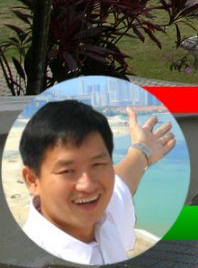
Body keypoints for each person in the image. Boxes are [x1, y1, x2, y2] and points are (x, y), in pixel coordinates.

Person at [20, 100, 177, 265]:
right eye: (67, 171)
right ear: (32, 180)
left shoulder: (103, 213)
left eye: (97, 164)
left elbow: (121, 183)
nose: (87, 185)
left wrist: (142, 149)